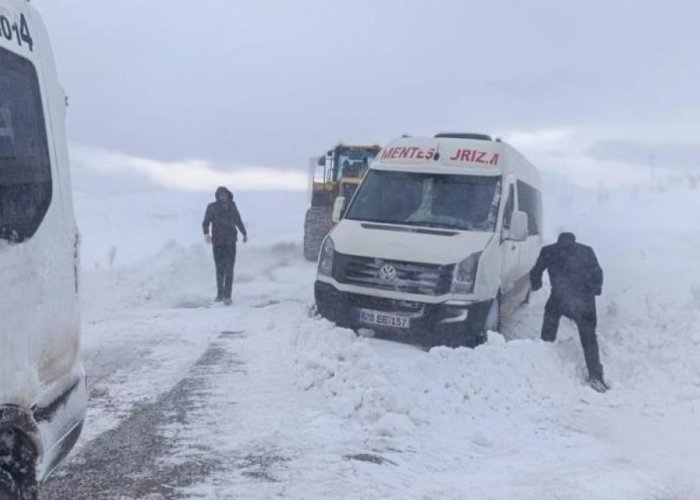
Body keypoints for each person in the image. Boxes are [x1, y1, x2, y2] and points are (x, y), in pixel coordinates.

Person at [530, 232, 609, 393]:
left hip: (559, 298)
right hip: (584, 300)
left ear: (559, 240)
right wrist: (595, 290)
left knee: (549, 324)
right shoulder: (586, 250)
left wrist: (536, 285)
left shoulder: (549, 250)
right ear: (574, 241)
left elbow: (535, 271)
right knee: (589, 339)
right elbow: (597, 272)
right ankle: (595, 375)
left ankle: (543, 361)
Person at [202, 187, 248, 305]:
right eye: (220, 194)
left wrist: (244, 233)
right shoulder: (212, 207)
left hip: (230, 242)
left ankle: (228, 296)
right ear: (217, 196)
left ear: (228, 195)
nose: (223, 196)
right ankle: (220, 294)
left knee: (229, 269)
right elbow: (206, 222)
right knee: (219, 269)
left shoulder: (232, 206)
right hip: (217, 242)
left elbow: (238, 220)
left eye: (224, 194)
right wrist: (206, 234)